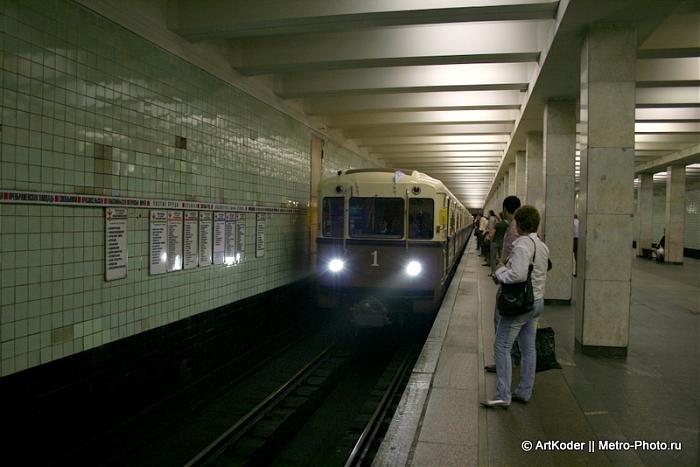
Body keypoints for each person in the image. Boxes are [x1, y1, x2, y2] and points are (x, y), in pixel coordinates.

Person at [481, 205, 550, 408]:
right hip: (536, 301)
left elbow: (518, 275)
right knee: (528, 348)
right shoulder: (541, 246)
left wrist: (499, 273)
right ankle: (524, 391)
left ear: (518, 224)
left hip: (521, 305)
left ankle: (503, 395)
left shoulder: (521, 245)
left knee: (502, 345)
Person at [484, 195, 521, 373]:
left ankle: (504, 364)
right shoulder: (519, 229)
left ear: (506, 209)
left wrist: (499, 273)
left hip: (510, 286)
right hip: (521, 288)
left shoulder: (513, 229)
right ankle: (512, 361)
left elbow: (512, 260)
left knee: (501, 323)